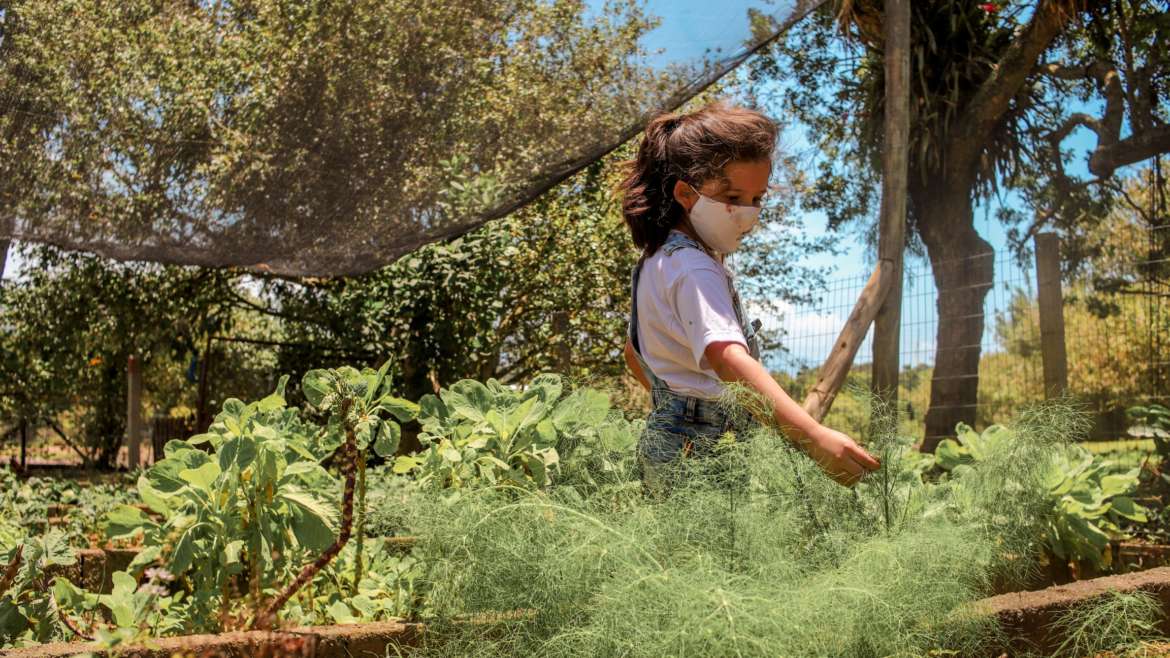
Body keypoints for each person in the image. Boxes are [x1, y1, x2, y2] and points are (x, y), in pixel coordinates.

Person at [619, 100, 880, 488]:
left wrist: (675, 407)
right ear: (685, 195)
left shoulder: (656, 262)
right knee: (717, 548)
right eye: (733, 198)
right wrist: (814, 437)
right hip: (706, 449)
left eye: (756, 200)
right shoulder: (695, 269)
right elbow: (727, 359)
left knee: (678, 549)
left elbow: (632, 355)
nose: (748, 212)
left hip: (666, 444)